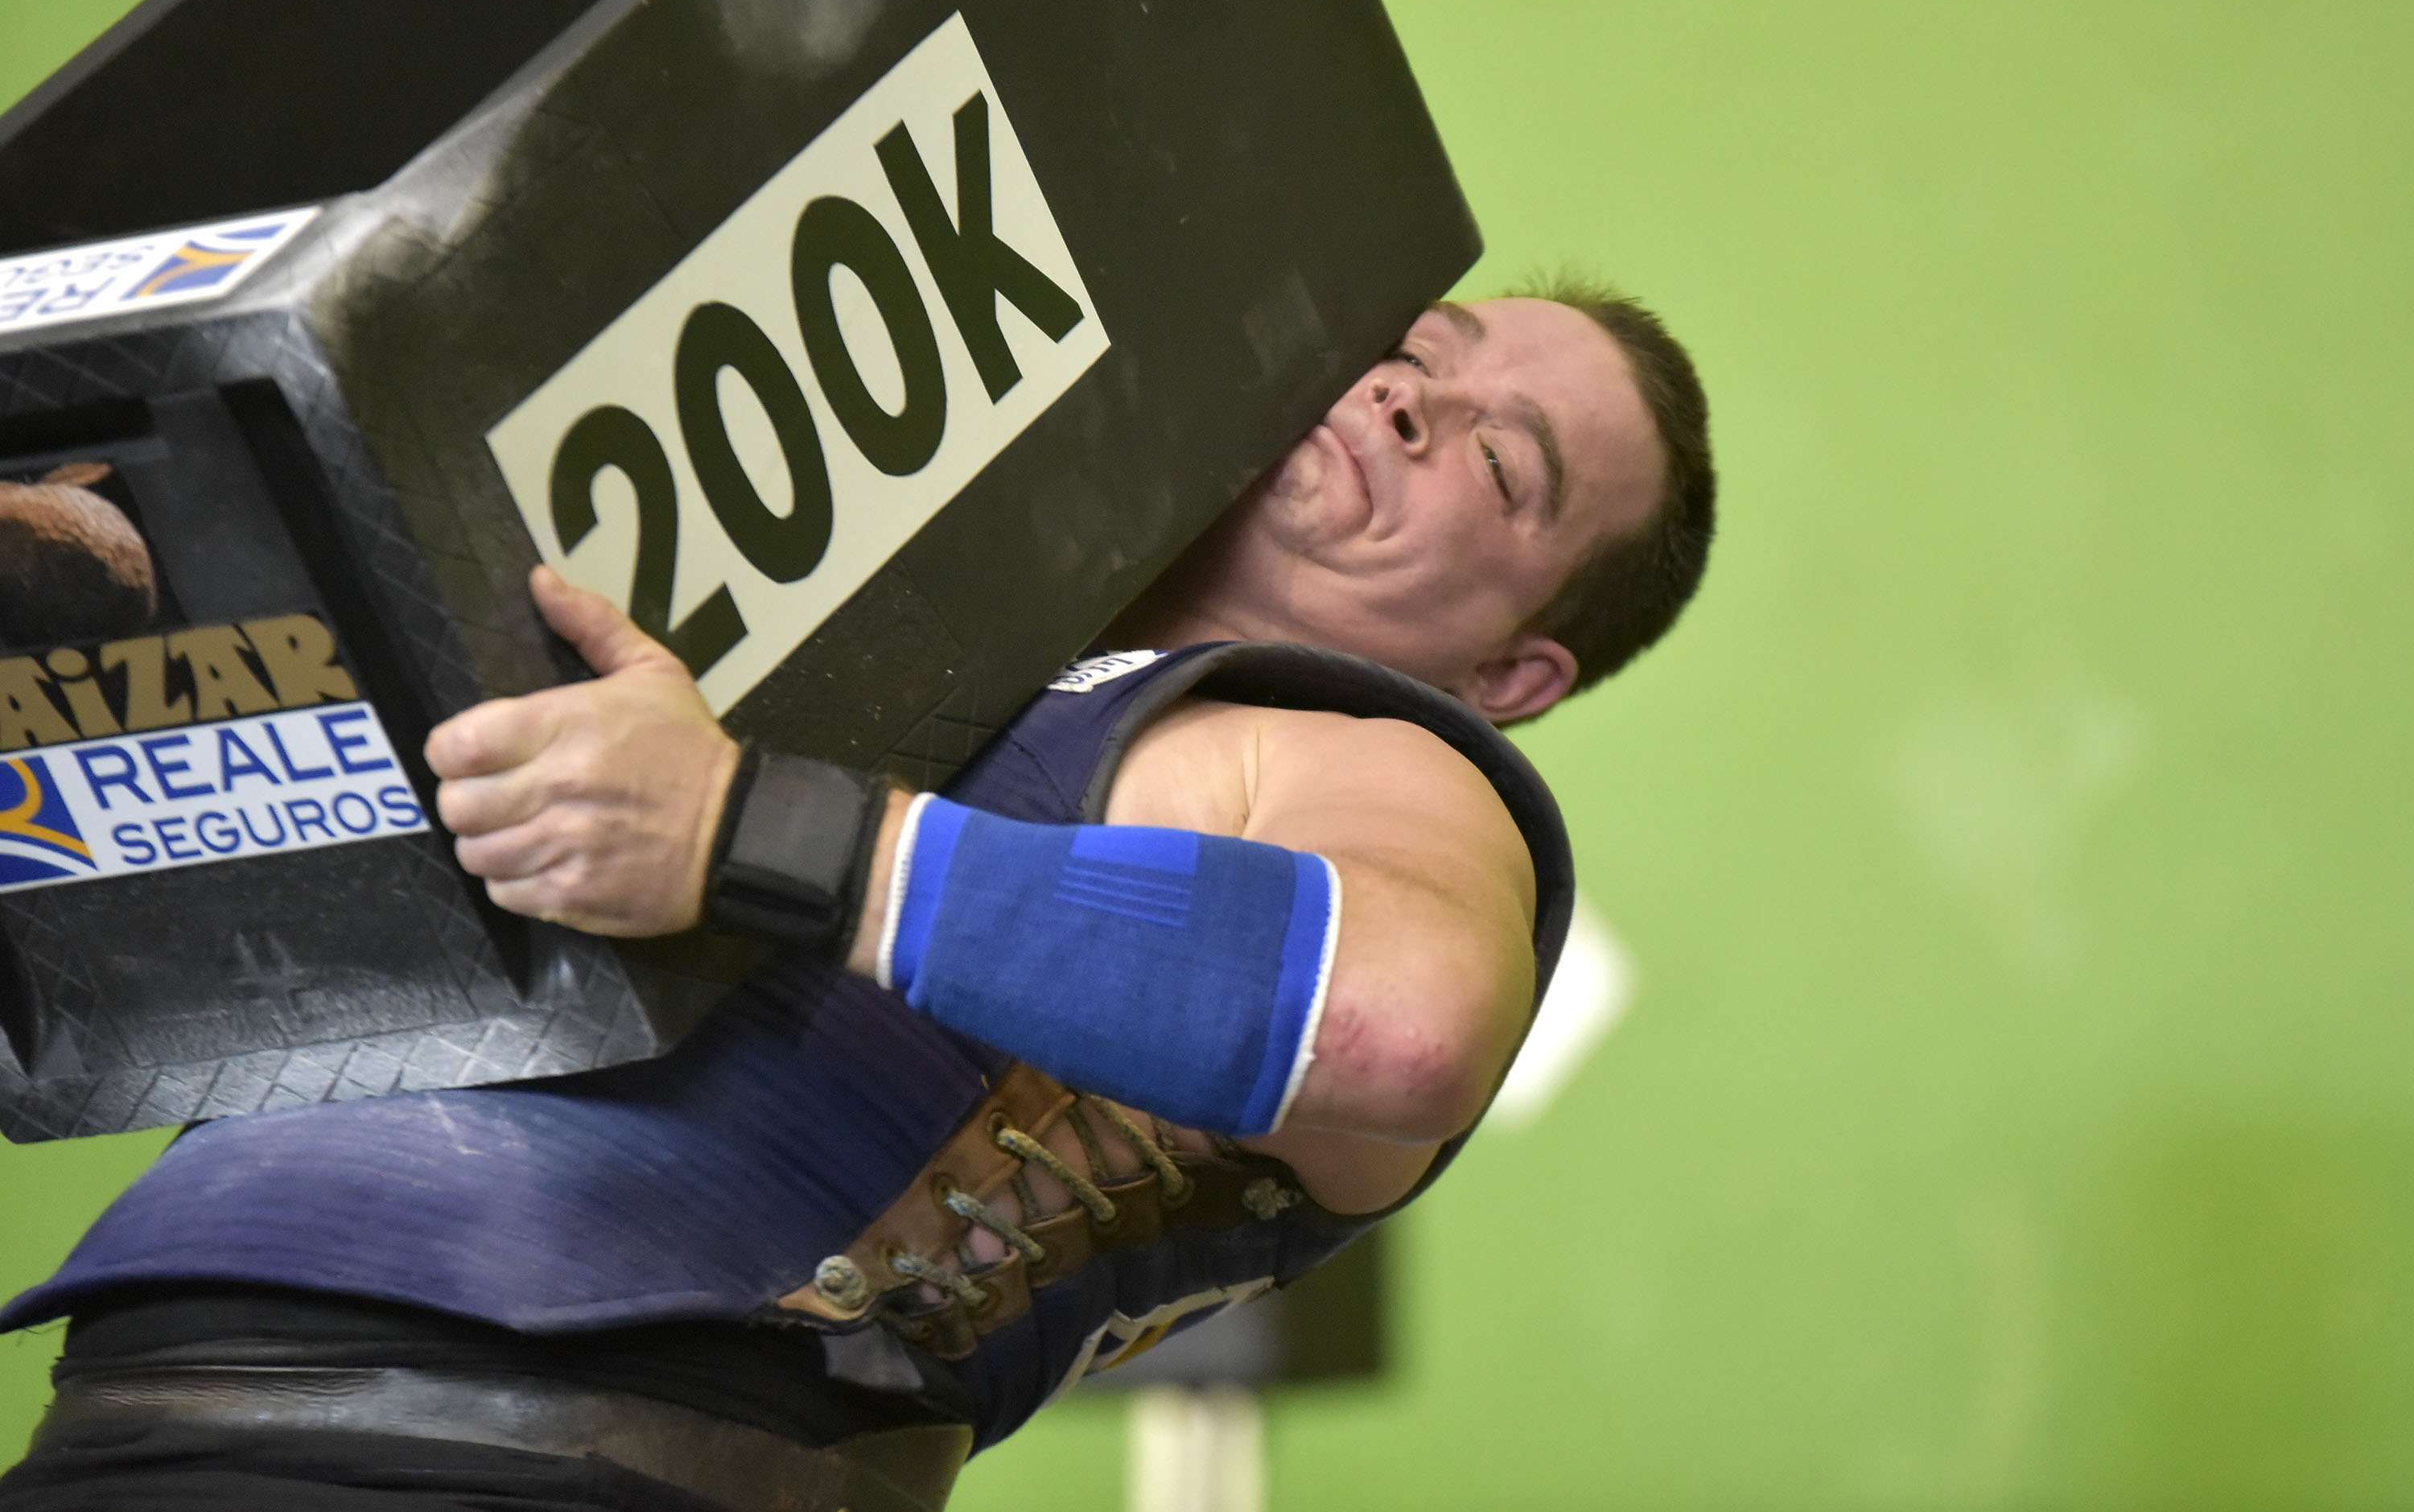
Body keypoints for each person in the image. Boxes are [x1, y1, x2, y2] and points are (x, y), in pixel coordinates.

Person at [0, 282, 1715, 1512]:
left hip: (545, 1454)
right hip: (144, 1399)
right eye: (1420, 349)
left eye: (1507, 468)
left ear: (1519, 667)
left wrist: (754, 832)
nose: (1419, 402)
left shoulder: (1370, 762)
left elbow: (1399, 1029)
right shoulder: (880, 621)